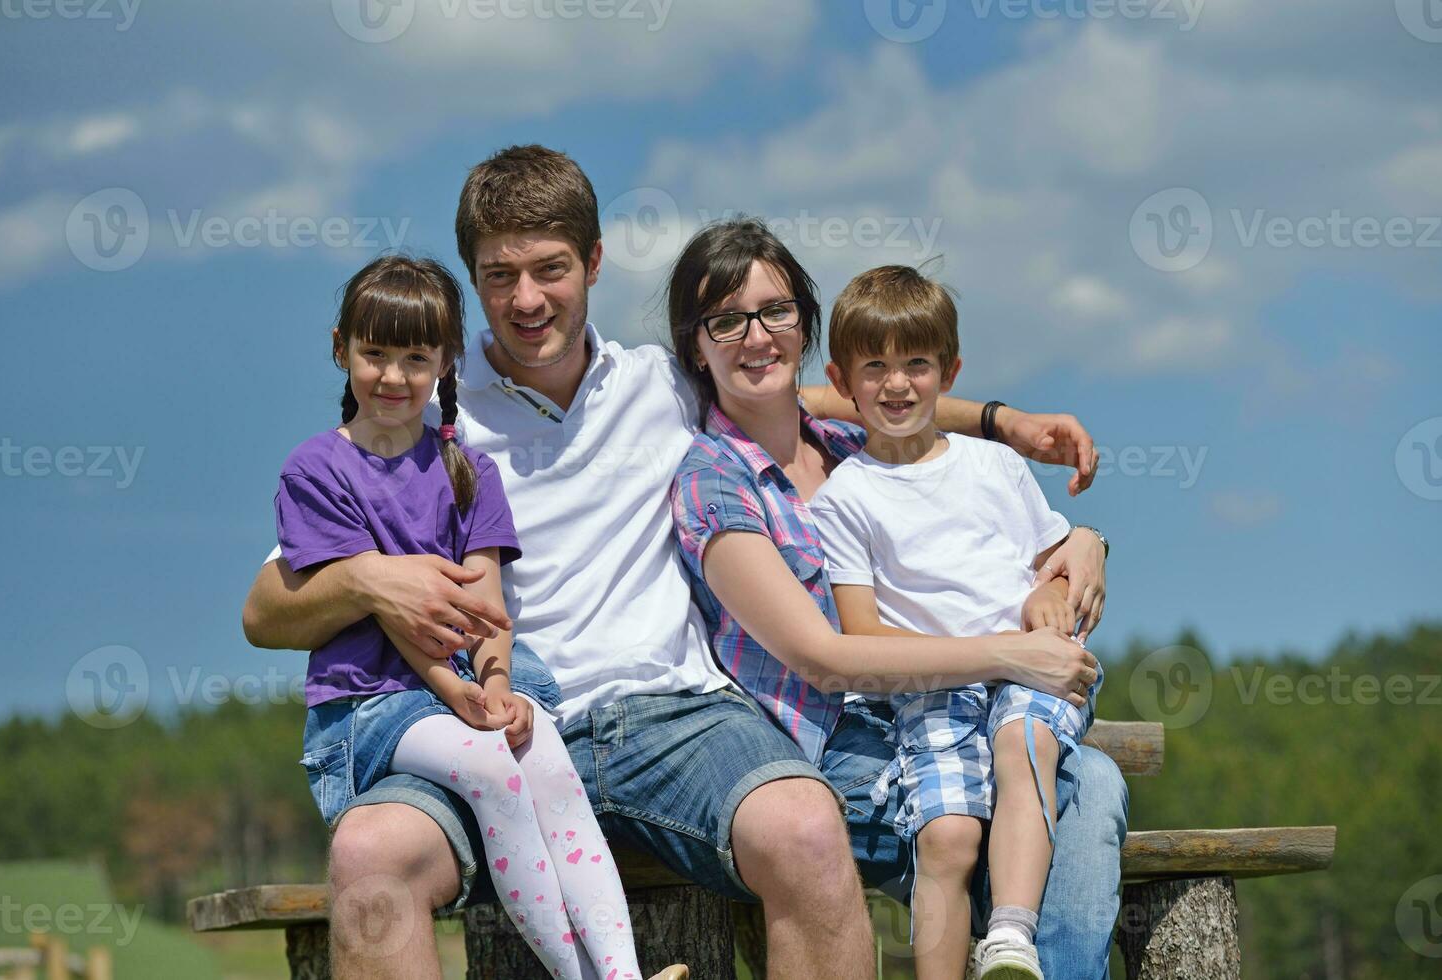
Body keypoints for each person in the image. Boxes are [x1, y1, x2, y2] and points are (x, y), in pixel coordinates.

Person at [243, 145, 1114, 980]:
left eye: (549, 268)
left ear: (592, 261)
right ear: (473, 281)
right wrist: (363, 580)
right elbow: (265, 612)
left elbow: (805, 390)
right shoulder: (426, 401)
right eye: (501, 275)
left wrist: (1001, 424)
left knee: (805, 829)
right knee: (368, 855)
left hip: (678, 716)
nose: (527, 298)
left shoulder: (659, 384)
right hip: (496, 720)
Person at [667, 220, 1124, 979]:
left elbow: (909, 404)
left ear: (804, 329)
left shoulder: (850, 446)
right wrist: (1013, 653)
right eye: (726, 320)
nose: (755, 336)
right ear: (696, 344)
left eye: (776, 312)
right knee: (1082, 788)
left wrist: (1082, 540)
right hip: (836, 752)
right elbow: (825, 659)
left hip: (949, 712)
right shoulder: (714, 479)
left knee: (1080, 780)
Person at [274, 254, 685, 980]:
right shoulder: (317, 471)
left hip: (467, 676)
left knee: (548, 759)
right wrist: (459, 692)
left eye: (414, 357)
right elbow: (397, 611)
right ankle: (577, 975)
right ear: (340, 348)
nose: (393, 377)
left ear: (445, 361)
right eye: (374, 354)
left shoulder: (468, 469)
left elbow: (488, 603)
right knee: (494, 766)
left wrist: (495, 685)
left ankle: (622, 973)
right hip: (373, 702)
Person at [804, 264, 1104, 980]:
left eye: (916, 364)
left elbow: (1049, 573)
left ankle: (1008, 936)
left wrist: (1050, 601)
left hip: (1032, 679)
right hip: (930, 689)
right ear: (841, 382)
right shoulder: (845, 499)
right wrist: (1002, 652)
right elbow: (859, 634)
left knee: (1022, 743)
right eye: (873, 367)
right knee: (943, 838)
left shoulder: (993, 467)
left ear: (949, 372)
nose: (897, 384)